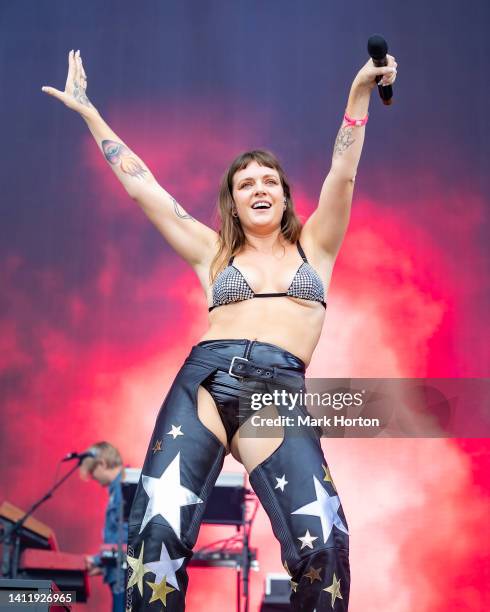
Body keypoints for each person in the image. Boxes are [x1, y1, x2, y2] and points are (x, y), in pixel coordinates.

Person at [43, 49, 397, 611]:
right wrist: (89, 112)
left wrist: (359, 94)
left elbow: (344, 170)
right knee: (155, 540)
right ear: (232, 201)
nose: (258, 188)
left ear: (283, 193)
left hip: (277, 392)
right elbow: (145, 188)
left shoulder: (318, 248)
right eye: (244, 183)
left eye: (269, 180)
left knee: (325, 543)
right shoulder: (213, 253)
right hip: (204, 383)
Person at [80, 442, 128, 612]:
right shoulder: (117, 489)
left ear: (102, 464)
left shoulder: (124, 487)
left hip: (124, 577)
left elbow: (126, 539)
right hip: (118, 572)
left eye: (93, 472)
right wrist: (103, 564)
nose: (94, 478)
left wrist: (97, 559)